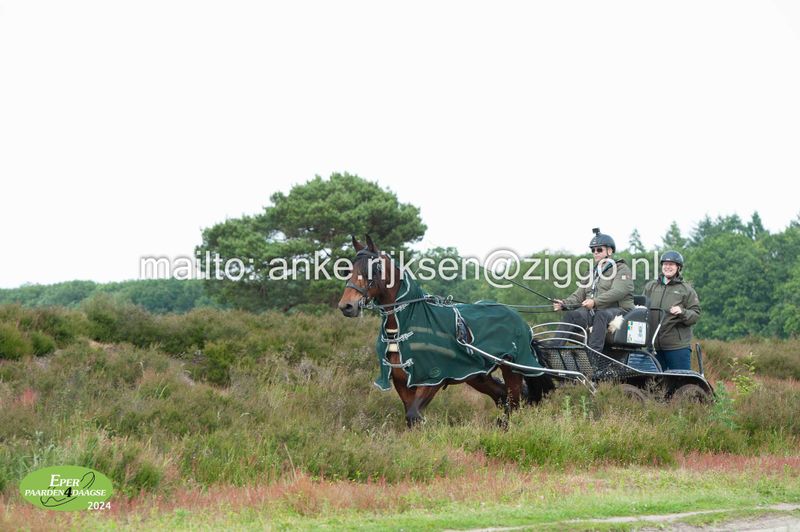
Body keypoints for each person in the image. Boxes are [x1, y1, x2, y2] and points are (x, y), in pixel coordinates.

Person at [553, 228, 634, 353]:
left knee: (601, 315)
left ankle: (594, 356)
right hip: (595, 312)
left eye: (599, 249)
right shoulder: (591, 272)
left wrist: (595, 302)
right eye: (593, 250)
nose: (595, 253)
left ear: (609, 251)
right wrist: (564, 303)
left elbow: (618, 291)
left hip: (619, 310)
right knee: (571, 316)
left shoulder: (621, 269)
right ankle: (552, 352)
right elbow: (579, 294)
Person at [644, 250, 701, 370]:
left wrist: (682, 312)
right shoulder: (650, 287)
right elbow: (641, 308)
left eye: (671, 264)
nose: (667, 267)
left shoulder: (686, 290)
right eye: (665, 264)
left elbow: (695, 315)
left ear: (678, 267)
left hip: (677, 347)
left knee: (681, 380)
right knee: (653, 380)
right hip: (652, 346)